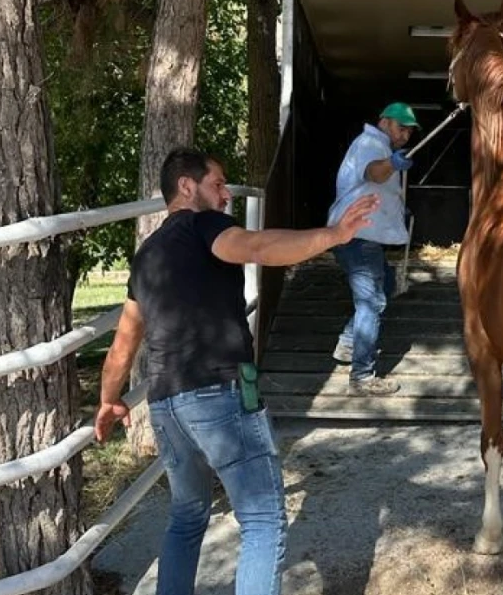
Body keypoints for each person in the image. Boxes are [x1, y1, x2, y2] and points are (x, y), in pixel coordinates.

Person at [93, 147, 379, 595]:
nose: (226, 195)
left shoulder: (146, 255)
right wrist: (334, 235)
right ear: (187, 187)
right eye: (218, 184)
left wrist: (110, 399)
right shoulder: (204, 225)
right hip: (220, 393)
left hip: (166, 404)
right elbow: (260, 246)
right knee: (263, 521)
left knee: (186, 518)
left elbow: (124, 343)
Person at [326, 102, 421, 396]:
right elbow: (373, 174)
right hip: (358, 234)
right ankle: (362, 377)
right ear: (384, 121)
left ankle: (348, 343)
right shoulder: (371, 142)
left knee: (387, 284)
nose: (405, 135)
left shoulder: (376, 144)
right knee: (370, 303)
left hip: (362, 235)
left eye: (408, 131)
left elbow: (376, 185)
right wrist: (393, 164)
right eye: (401, 128)